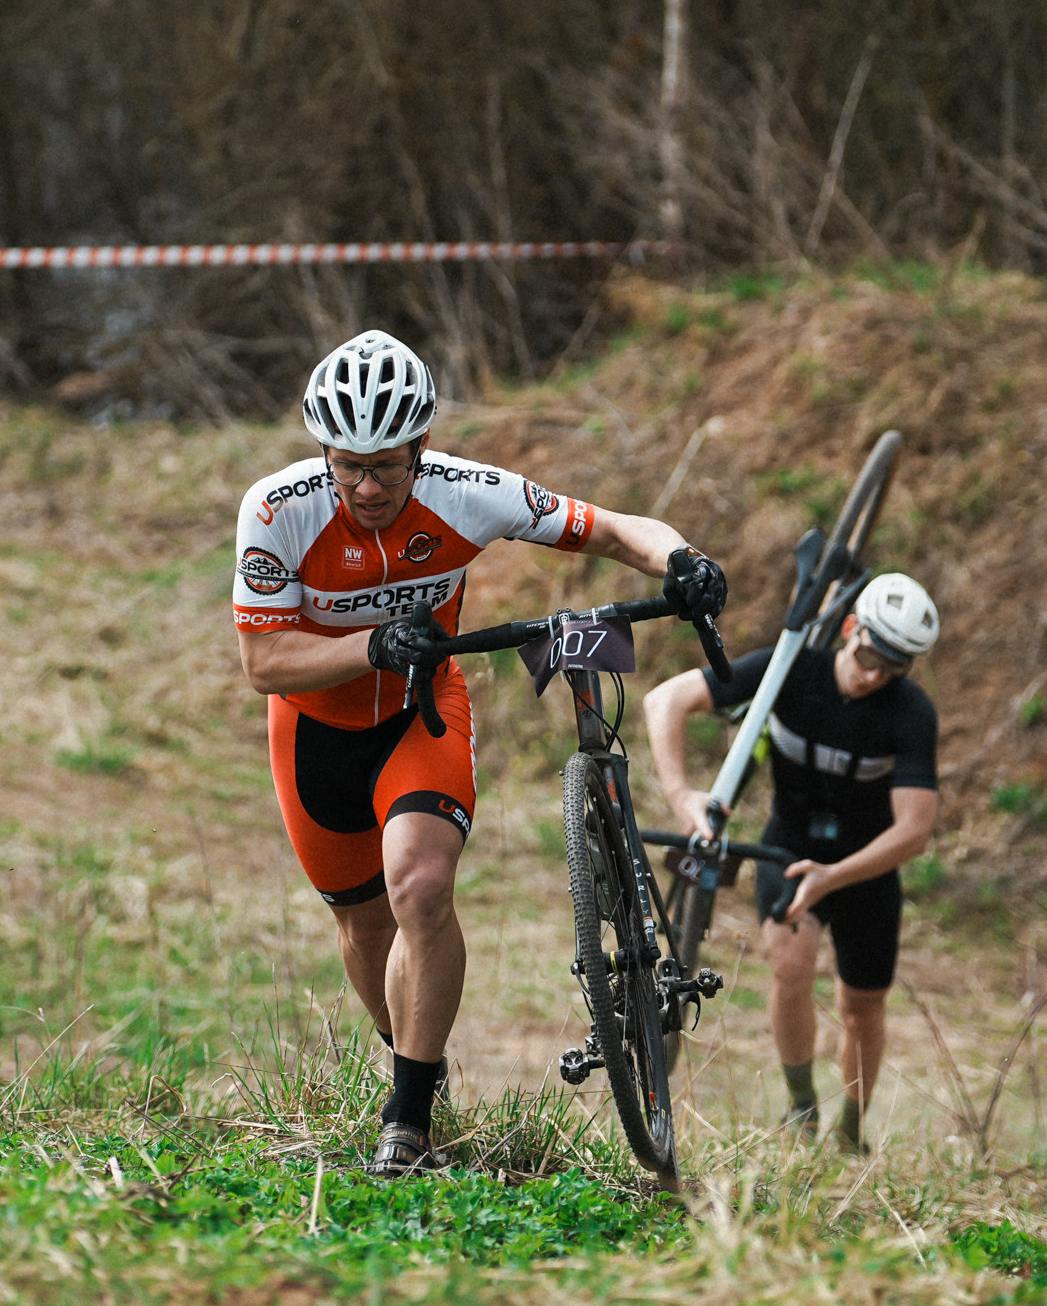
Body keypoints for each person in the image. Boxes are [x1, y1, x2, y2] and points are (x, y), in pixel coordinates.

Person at [233, 330, 727, 1177]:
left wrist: (680, 558)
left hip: (423, 714)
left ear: (421, 448)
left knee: (419, 889)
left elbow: (609, 529)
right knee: (362, 924)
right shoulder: (278, 511)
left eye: (387, 465)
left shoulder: (470, 494)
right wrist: (375, 644)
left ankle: (410, 1120)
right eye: (346, 464)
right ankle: (409, 1060)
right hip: (314, 732)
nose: (366, 485)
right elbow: (263, 664)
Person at [641, 571, 942, 1154]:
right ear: (850, 629)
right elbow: (665, 700)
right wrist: (682, 796)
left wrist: (834, 876)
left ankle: (851, 1131)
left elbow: (914, 831)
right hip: (788, 845)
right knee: (789, 965)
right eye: (871, 656)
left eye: (893, 669)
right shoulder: (791, 670)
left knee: (861, 1006)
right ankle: (801, 1108)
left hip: (866, 868)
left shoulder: (910, 713)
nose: (874, 676)